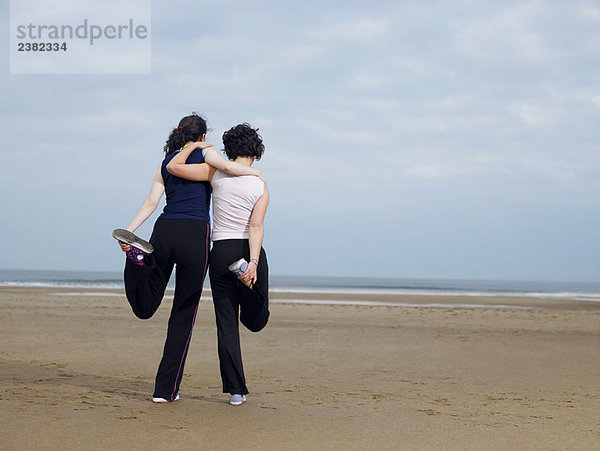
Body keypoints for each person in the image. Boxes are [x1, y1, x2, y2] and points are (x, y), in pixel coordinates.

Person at [112, 113, 262, 403]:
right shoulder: (206, 155)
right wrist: (255, 174)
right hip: (195, 234)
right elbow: (230, 167)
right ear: (203, 136)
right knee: (183, 312)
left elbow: (152, 202)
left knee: (148, 301)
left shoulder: (166, 163)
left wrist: (130, 230)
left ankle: (137, 260)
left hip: (164, 231)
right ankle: (164, 391)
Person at [166, 123, 269, 406]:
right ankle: (252, 303)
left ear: (230, 149)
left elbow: (174, 167)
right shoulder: (259, 184)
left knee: (226, 322)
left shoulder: (215, 173)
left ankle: (236, 391)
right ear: (255, 151)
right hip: (246, 248)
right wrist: (254, 263)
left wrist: (194, 146)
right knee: (257, 317)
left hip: (220, 252)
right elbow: (256, 226)